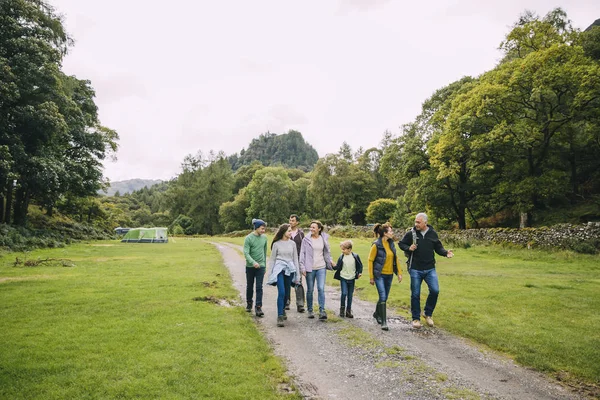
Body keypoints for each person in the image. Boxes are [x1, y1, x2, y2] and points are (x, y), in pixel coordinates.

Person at [398, 213, 454, 329]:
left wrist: (445, 253)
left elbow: (438, 247)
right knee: (415, 294)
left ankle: (427, 314)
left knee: (435, 290)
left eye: (418, 222)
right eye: (415, 222)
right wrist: (408, 248)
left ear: (425, 223)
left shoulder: (432, 233)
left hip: (430, 268)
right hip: (415, 268)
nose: (416, 224)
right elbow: (401, 243)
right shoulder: (411, 234)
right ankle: (415, 319)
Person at [368, 223, 402, 331]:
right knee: (382, 296)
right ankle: (384, 321)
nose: (392, 233)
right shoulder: (376, 245)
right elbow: (370, 261)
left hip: (389, 275)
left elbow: (396, 259)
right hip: (379, 275)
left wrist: (399, 273)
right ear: (385, 233)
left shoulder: (391, 244)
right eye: (391, 231)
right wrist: (371, 277)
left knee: (385, 297)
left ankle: (376, 314)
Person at [267, 224, 300, 327]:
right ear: (283, 232)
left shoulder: (293, 244)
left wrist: (297, 275)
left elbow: (295, 259)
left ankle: (283, 309)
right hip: (279, 269)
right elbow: (272, 259)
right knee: (281, 292)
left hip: (289, 269)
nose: (291, 233)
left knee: (286, 293)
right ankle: (280, 316)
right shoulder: (276, 244)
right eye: (289, 231)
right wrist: (270, 273)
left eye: (291, 231)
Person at [300, 220, 334, 320]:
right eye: (310, 227)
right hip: (310, 268)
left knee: (321, 288)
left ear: (319, 229)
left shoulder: (323, 238)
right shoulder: (306, 239)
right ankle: (310, 310)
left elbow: (327, 252)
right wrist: (302, 267)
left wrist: (330, 261)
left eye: (313, 227)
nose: (311, 229)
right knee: (310, 290)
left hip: (321, 267)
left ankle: (322, 311)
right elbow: (302, 253)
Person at [243, 218, 268, 317]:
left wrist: (264, 265)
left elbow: (265, 252)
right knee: (250, 286)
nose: (263, 231)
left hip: (260, 266)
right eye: (262, 228)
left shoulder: (264, 238)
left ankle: (258, 307)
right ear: (256, 228)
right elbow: (246, 252)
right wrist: (253, 262)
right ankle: (249, 303)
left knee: (259, 287)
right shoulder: (248, 238)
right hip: (250, 266)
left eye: (264, 229)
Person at [333, 240, 363, 318]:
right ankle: (342, 310)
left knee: (350, 295)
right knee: (344, 293)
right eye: (342, 249)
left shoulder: (355, 256)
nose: (342, 251)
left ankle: (348, 311)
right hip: (343, 277)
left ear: (349, 249)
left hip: (352, 278)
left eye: (344, 249)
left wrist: (359, 272)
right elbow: (337, 267)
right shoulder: (341, 257)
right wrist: (332, 264)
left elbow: (360, 266)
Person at [288, 214, 306, 313]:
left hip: (298, 259)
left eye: (293, 220)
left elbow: (304, 248)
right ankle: (287, 302)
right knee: (287, 280)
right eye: (290, 220)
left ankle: (300, 304)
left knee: (298, 281)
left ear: (297, 222)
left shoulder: (301, 234)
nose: (291, 222)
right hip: (287, 259)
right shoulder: (286, 232)